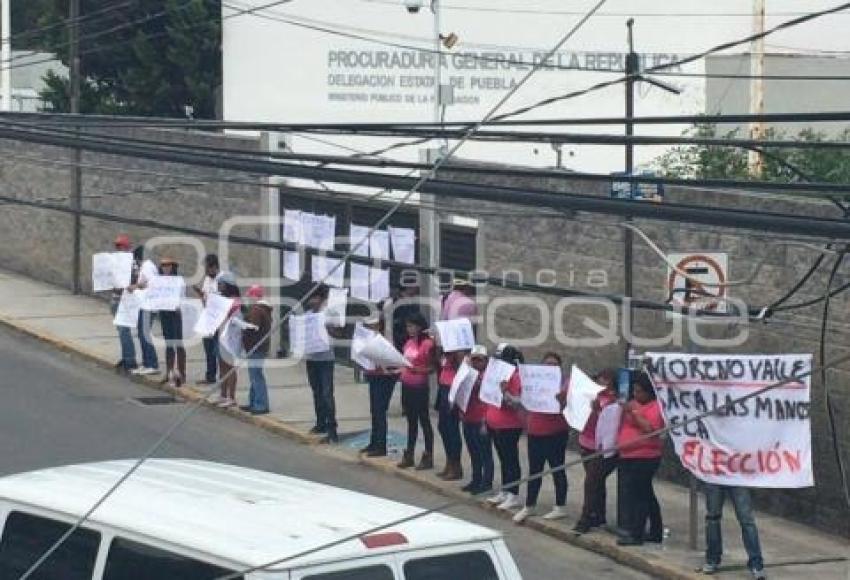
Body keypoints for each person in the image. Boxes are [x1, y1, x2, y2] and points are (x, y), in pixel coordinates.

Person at [514, 352, 570, 523]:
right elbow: (523, 402)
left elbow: (570, 410)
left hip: (556, 434)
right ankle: (529, 506)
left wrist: (561, 400)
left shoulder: (565, 385)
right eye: (547, 364)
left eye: (554, 364)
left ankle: (560, 506)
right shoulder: (534, 381)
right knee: (534, 471)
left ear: (559, 367)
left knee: (557, 469)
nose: (550, 367)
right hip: (535, 433)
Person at [616, 371, 664, 546]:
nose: (635, 395)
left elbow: (650, 429)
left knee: (639, 496)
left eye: (639, 391)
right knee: (646, 494)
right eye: (634, 391)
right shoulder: (634, 403)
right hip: (628, 454)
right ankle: (656, 531)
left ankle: (637, 533)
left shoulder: (655, 407)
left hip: (645, 456)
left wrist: (634, 413)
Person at [574, 368, 619, 533]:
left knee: (591, 481)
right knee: (596, 482)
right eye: (600, 379)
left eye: (606, 380)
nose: (602, 383)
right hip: (586, 441)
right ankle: (599, 515)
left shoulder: (614, 400)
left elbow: (610, 423)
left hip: (603, 447)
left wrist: (598, 410)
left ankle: (585, 519)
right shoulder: (590, 394)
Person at [485, 343, 525, 512]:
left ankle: (513, 494)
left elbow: (518, 403)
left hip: (510, 425)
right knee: (503, 459)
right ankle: (505, 489)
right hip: (495, 423)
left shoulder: (517, 376)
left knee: (511, 459)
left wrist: (504, 392)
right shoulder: (498, 374)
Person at [700, 484, 767, 579]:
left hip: (734, 478)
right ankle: (712, 559)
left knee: (746, 521)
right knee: (713, 518)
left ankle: (756, 564)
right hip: (717, 477)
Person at [397, 312, 436, 470]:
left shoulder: (427, 344)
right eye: (408, 326)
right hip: (406, 384)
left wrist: (418, 370)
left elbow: (432, 367)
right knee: (411, 421)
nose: (409, 329)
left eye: (412, 326)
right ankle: (409, 454)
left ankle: (428, 455)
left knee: (423, 420)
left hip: (419, 386)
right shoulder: (408, 343)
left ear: (420, 327)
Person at [359, 315, 399, 457]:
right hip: (374, 375)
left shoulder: (385, 339)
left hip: (385, 377)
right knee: (374, 410)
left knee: (380, 410)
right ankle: (374, 442)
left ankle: (380, 445)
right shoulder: (370, 338)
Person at [304, 284, 339, 443]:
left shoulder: (329, 314)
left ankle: (332, 428)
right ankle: (320, 423)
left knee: (326, 394)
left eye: (315, 298)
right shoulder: (307, 315)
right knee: (316, 392)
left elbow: (338, 333)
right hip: (311, 358)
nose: (312, 301)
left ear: (322, 299)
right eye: (311, 298)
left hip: (325, 359)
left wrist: (328, 328)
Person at [459, 345, 493, 494]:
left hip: (481, 419)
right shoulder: (467, 373)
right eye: (474, 360)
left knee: (484, 452)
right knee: (473, 451)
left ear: (486, 361)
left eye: (480, 360)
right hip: (468, 417)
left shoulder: (489, 376)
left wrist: (486, 421)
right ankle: (476, 479)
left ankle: (486, 482)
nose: (477, 362)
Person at [240, 284, 272, 415]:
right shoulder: (264, 309)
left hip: (255, 347)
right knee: (254, 376)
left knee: (256, 376)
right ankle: (254, 402)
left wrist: (242, 325)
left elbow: (253, 327)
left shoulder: (256, 310)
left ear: (254, 297)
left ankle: (261, 405)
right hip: (259, 347)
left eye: (250, 296)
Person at [127, 246, 159, 375]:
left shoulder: (147, 267)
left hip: (149, 306)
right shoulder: (146, 266)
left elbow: (152, 284)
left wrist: (135, 286)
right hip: (145, 305)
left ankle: (152, 364)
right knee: (141, 334)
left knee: (144, 334)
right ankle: (146, 363)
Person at [156, 257, 187, 388]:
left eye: (168, 265)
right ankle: (169, 372)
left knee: (178, 343)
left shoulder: (178, 281)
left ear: (173, 267)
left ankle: (181, 373)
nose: (165, 267)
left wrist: (178, 306)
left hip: (175, 313)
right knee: (168, 343)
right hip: (164, 312)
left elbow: (182, 296)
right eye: (163, 265)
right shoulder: (158, 280)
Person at [215, 272, 244, 409]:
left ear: (227, 285)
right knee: (222, 367)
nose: (218, 286)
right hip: (222, 336)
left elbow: (236, 321)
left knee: (230, 368)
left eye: (220, 284)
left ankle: (231, 397)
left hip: (231, 339)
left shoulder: (235, 302)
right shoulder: (222, 300)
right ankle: (222, 394)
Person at [109, 234, 137, 374]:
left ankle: (130, 360)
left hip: (125, 300)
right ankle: (126, 357)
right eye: (118, 247)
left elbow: (135, 280)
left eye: (122, 247)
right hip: (115, 298)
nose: (119, 250)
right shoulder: (115, 262)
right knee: (121, 331)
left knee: (123, 330)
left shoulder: (133, 263)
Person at [435, 349, 464, 481]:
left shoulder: (458, 353)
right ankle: (449, 460)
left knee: (452, 428)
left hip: (453, 389)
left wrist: (454, 358)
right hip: (443, 387)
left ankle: (456, 465)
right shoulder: (444, 352)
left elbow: (462, 370)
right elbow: (438, 363)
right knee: (442, 426)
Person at [193, 254, 221, 385]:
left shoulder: (222, 280)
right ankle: (210, 375)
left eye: (208, 268)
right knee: (208, 348)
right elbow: (205, 298)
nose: (206, 271)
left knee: (218, 349)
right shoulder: (207, 279)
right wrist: (200, 294)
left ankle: (223, 376)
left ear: (214, 267)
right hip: (207, 318)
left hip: (218, 320)